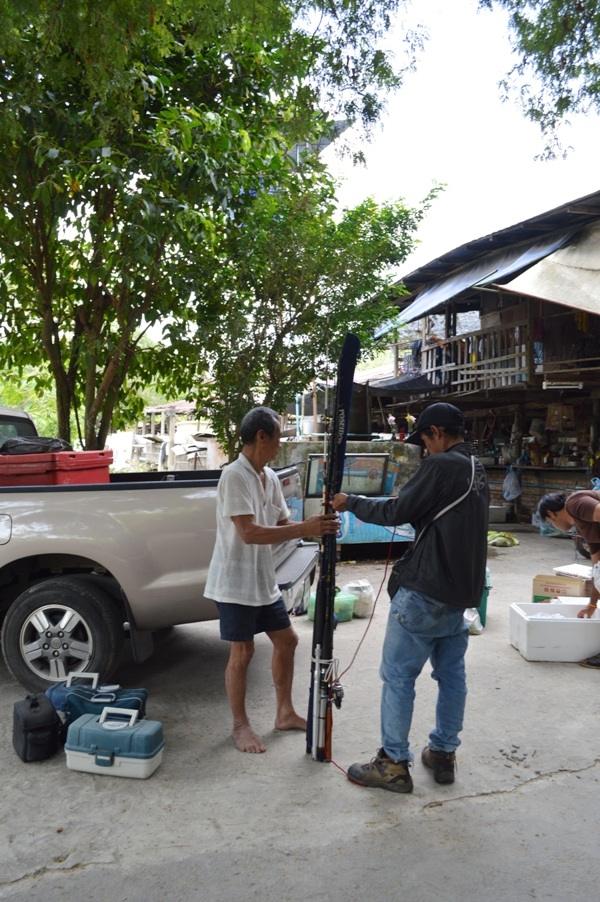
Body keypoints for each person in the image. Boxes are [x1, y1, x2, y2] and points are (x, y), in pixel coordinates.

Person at [332, 402, 488, 793]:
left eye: (424, 439)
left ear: (436, 432)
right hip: (458, 595)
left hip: (425, 591)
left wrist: (350, 502)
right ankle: (442, 751)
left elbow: (398, 511)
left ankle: (392, 763)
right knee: (452, 676)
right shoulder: (476, 467)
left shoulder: (442, 466)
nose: (424, 448)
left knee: (398, 677)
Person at [204, 406, 339, 754]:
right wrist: (305, 528)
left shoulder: (270, 476)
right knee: (242, 651)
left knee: (288, 641)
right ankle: (240, 726)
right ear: (261, 436)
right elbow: (248, 532)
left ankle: (284, 713)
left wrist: (316, 524)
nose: (281, 444)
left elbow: (281, 526)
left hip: (262, 580)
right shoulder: (234, 475)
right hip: (234, 582)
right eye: (278, 436)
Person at [537, 491, 600, 667]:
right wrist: (592, 604)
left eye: (550, 522)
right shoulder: (585, 527)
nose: (553, 525)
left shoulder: (574, 503)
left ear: (551, 513)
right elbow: (598, 571)